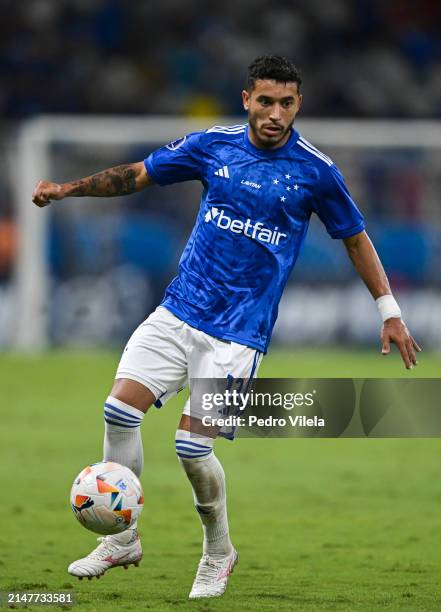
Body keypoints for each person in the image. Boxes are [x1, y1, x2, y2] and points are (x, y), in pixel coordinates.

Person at [32, 55, 421, 599]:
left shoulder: (316, 171)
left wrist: (389, 311)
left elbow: (355, 237)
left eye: (286, 103)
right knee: (118, 410)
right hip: (179, 308)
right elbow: (138, 176)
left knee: (192, 450)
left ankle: (219, 550)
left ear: (298, 105)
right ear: (247, 100)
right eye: (266, 101)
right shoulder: (213, 146)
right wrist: (68, 189)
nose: (275, 114)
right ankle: (123, 539)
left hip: (240, 333)